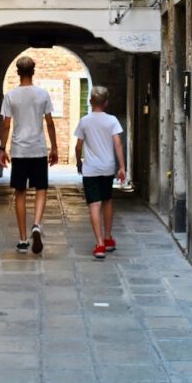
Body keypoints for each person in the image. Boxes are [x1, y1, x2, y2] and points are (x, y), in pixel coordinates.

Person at [0, 55, 58, 253]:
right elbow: (50, 123)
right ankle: (37, 224)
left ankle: (23, 239)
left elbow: (6, 125)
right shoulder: (42, 94)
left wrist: (2, 148)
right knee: (41, 188)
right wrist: (55, 148)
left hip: (19, 150)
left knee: (20, 192)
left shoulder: (11, 96)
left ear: (18, 73)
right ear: (33, 72)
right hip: (38, 148)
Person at [73, 86, 126, 259]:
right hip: (107, 167)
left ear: (90, 102)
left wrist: (78, 162)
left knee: (94, 204)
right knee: (107, 201)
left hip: (91, 169)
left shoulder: (85, 121)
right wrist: (122, 167)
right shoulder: (112, 121)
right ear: (106, 103)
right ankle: (108, 237)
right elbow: (118, 143)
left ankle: (99, 244)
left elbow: (79, 146)